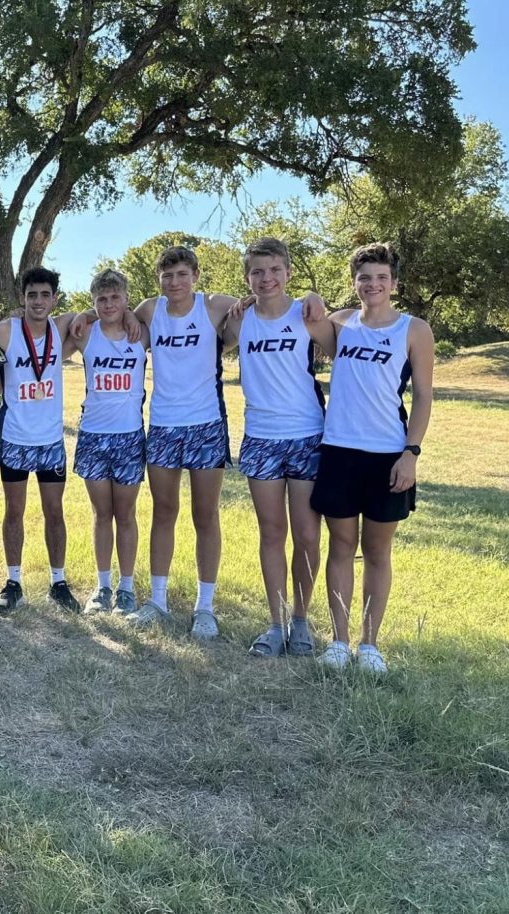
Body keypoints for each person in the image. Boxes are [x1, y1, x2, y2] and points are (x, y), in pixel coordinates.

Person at [311, 243, 434, 674]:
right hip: (339, 450)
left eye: (382, 277)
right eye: (365, 277)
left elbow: (422, 395)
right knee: (340, 546)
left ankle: (370, 645)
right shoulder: (341, 323)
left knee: (377, 551)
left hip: (387, 454)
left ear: (394, 284)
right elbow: (299, 315)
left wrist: (410, 453)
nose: (373, 284)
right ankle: (339, 642)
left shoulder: (413, 329)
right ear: (354, 282)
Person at [223, 238, 335, 658]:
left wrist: (316, 298)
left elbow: (348, 344)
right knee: (271, 533)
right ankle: (276, 623)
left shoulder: (305, 314)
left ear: (288, 272)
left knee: (307, 534)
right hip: (260, 438)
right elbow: (207, 330)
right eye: (257, 271)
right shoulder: (240, 319)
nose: (266, 278)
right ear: (247, 277)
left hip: (308, 435)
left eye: (274, 270)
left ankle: (302, 621)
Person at [125, 246, 238, 639]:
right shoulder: (150, 310)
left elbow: (257, 300)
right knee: (163, 511)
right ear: (159, 279)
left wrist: (309, 299)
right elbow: (115, 317)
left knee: (205, 515)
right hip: (163, 426)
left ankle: (204, 608)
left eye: (182, 274)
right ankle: (157, 600)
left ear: (196, 275)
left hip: (206, 425)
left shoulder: (213, 306)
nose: (174, 282)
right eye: (167, 275)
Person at [0, 267, 87, 613]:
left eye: (45, 295)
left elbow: (95, 312)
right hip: (16, 437)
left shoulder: (62, 326)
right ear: (22, 298)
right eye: (31, 295)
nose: (38, 301)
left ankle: (58, 581)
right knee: (14, 512)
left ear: (54, 298)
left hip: (51, 439)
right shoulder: (3, 330)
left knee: (55, 511)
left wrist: (86, 313)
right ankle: (13, 582)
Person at [69, 269, 149, 615]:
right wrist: (79, 315)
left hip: (129, 436)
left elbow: (158, 309)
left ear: (126, 298)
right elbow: (47, 328)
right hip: (93, 435)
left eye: (116, 297)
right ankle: (102, 587)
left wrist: (132, 316)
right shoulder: (86, 333)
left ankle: (126, 588)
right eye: (101, 299)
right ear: (94, 302)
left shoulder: (141, 333)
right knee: (102, 514)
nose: (109, 304)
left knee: (125, 514)